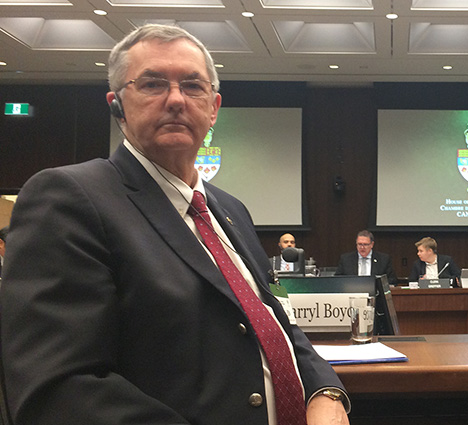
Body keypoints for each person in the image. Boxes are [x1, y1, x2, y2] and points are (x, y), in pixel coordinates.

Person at [0, 24, 349, 425]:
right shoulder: (69, 198)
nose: (176, 100)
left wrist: (326, 390)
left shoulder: (230, 209)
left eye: (192, 86)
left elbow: (275, 322)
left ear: (214, 107)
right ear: (117, 105)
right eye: (152, 84)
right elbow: (60, 387)